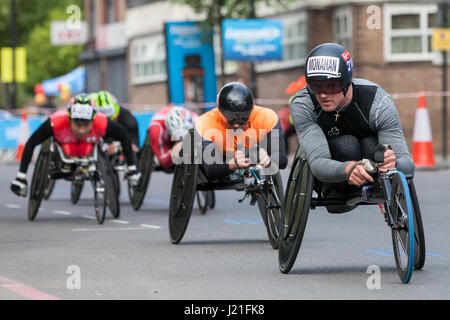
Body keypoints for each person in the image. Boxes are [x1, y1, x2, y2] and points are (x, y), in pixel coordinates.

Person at [289, 43, 415, 212]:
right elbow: (318, 163)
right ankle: (340, 192)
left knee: (373, 145)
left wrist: (393, 164)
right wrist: (347, 168)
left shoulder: (378, 103)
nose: (323, 94)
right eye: (316, 86)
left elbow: (408, 166)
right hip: (333, 174)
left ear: (346, 82)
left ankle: (377, 185)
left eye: (332, 86)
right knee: (347, 144)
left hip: (371, 164)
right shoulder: (303, 104)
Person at [10, 94, 140, 198]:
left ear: (93, 118)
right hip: (64, 149)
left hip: (87, 148)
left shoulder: (102, 121)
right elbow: (31, 143)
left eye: (86, 123)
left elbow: (125, 137)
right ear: (69, 118)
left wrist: (132, 169)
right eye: (77, 123)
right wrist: (21, 177)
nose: (82, 130)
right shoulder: (56, 122)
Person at [194, 82, 288, 182]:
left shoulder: (266, 117)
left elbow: (282, 159)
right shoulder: (206, 122)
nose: (237, 124)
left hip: (251, 150)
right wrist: (233, 164)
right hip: (222, 157)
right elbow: (211, 170)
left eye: (243, 118)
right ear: (220, 111)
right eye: (230, 118)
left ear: (252, 110)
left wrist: (269, 159)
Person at [147, 105, 198, 172]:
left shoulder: (197, 120)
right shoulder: (156, 127)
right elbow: (163, 162)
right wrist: (172, 153)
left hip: (189, 128)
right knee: (159, 163)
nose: (179, 140)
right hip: (164, 137)